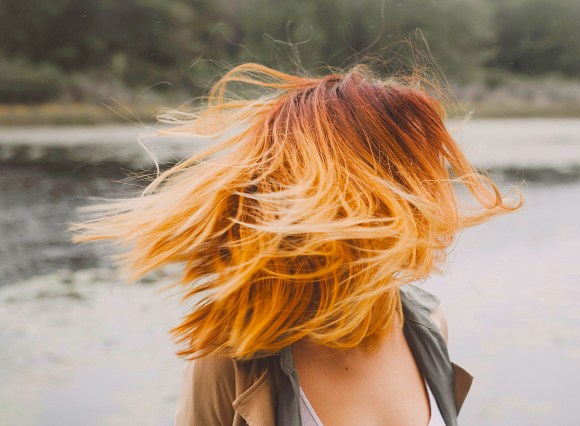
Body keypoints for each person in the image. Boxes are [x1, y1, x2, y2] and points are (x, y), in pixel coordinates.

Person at [72, 62, 523, 425]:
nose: (435, 194)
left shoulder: (428, 325)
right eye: (415, 175)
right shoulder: (232, 359)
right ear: (368, 198)